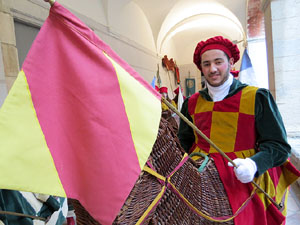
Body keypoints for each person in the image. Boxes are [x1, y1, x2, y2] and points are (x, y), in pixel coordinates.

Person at [178, 36, 300, 225]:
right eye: (206, 64)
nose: (213, 69)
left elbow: (279, 146)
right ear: (201, 68)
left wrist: (253, 165)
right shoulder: (191, 103)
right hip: (202, 180)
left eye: (218, 62)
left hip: (245, 179)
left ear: (230, 62)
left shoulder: (257, 97)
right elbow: (183, 143)